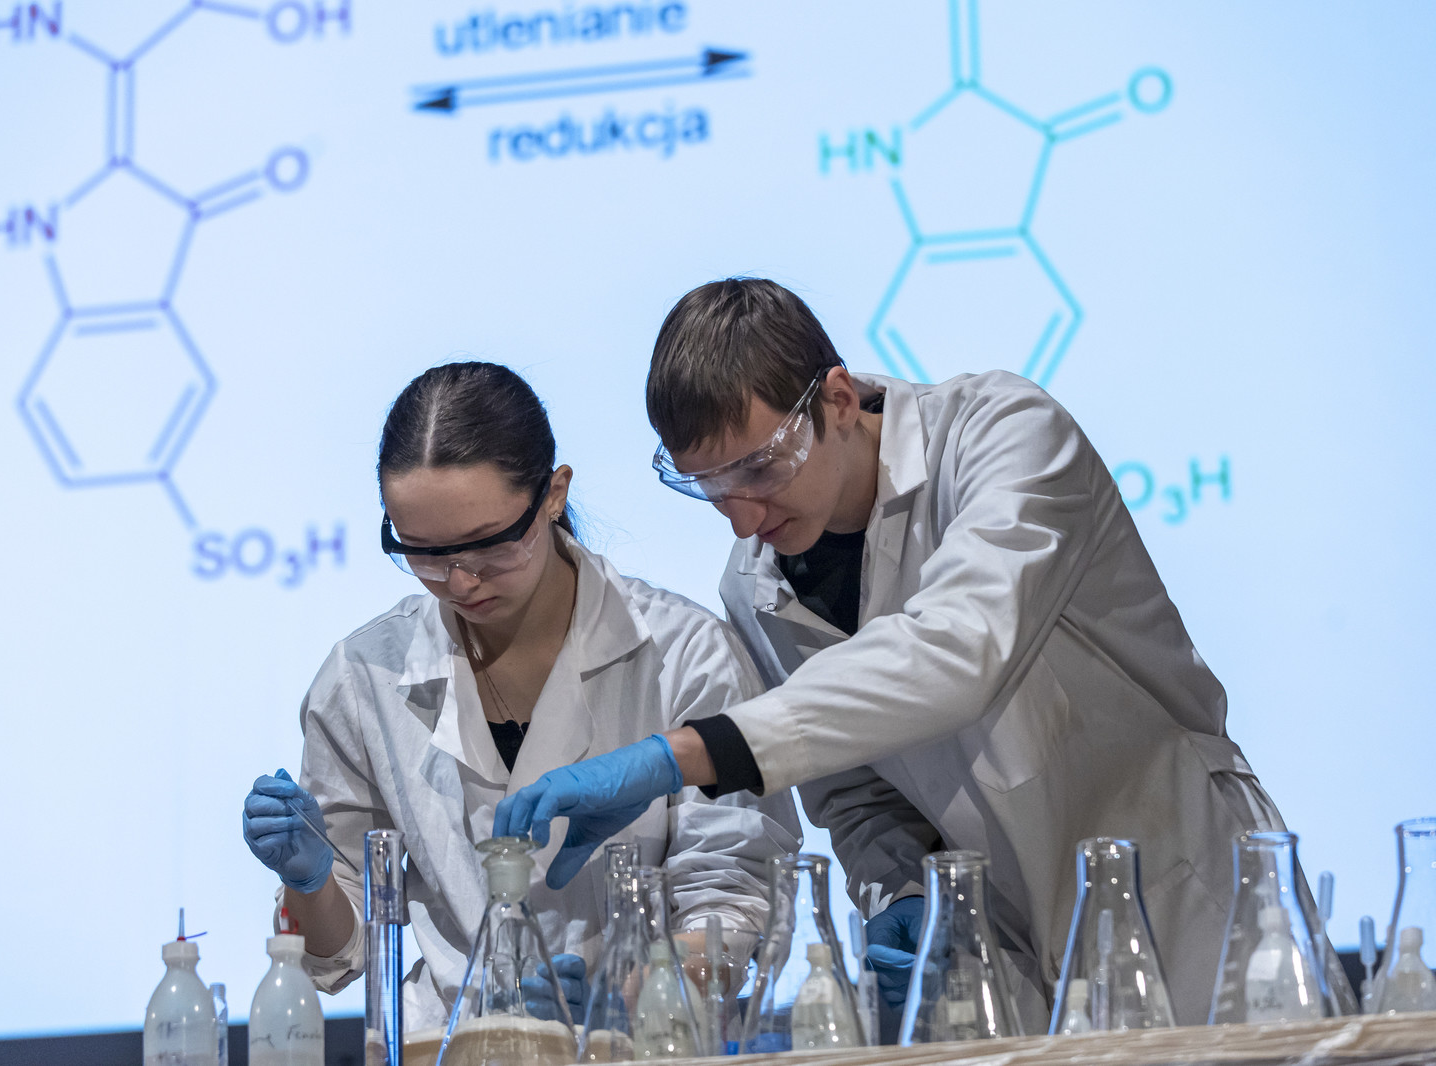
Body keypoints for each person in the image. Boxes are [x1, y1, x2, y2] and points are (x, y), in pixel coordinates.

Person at [496, 278, 1336, 1027]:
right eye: (711, 490)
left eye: (760, 471)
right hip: (1005, 956)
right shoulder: (753, 585)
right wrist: (901, 888)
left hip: (1182, 893)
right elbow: (855, 790)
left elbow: (958, 649)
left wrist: (682, 754)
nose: (744, 518)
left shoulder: (1002, 436)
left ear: (836, 400)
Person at [241, 361, 800, 1030]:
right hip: (449, 1041)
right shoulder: (365, 676)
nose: (459, 581)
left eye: (487, 545)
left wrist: (633, 999)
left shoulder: (683, 653)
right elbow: (340, 955)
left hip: (644, 1044)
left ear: (554, 494)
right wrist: (308, 882)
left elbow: (736, 894)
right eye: (423, 552)